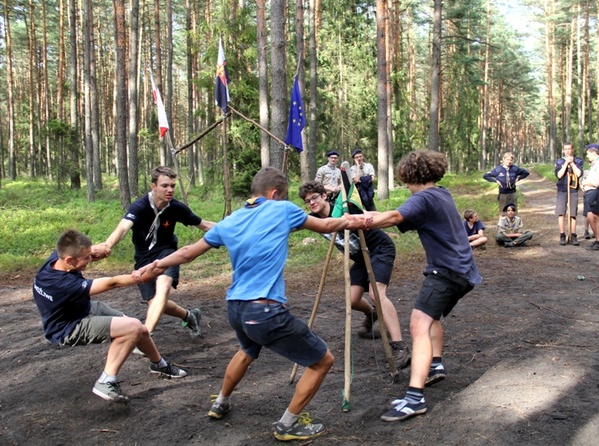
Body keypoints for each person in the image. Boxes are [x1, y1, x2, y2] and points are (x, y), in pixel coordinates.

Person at [136, 167, 353, 442]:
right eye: (283, 195)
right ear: (274, 193)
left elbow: (188, 252)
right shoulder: (282, 209)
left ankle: (221, 402)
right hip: (264, 311)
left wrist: (156, 265)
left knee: (247, 351)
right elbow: (328, 225)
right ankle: (287, 424)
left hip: (236, 309)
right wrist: (358, 219)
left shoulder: (231, 220)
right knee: (323, 361)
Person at [347, 150, 482, 422]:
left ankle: (414, 398)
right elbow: (396, 216)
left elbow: (396, 217)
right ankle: (434, 364)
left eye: (405, 180)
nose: (405, 185)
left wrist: (359, 220)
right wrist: (366, 214)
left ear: (411, 175)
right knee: (430, 319)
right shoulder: (441, 193)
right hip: (462, 270)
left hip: (447, 272)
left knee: (418, 324)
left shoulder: (423, 197)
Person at [32, 230, 187, 403]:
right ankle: (106, 381)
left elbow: (87, 252)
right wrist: (145, 275)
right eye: (86, 258)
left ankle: (159, 365)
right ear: (70, 260)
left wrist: (100, 249)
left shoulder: (57, 259)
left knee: (140, 330)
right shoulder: (63, 284)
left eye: (90, 256)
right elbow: (113, 282)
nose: (90, 260)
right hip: (69, 327)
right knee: (132, 328)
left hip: (83, 309)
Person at [298, 180, 410, 368]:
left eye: (314, 198)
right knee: (352, 300)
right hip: (359, 258)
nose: (312, 203)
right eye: (307, 201)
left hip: (379, 249)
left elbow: (367, 214)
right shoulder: (314, 219)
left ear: (324, 196)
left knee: (376, 294)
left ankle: (400, 346)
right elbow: (294, 224)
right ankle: (372, 314)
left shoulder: (344, 207)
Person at [101, 166, 215, 339]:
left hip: (167, 253)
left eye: (172, 186)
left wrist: (234, 229)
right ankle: (189, 315)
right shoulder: (140, 206)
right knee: (155, 302)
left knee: (163, 289)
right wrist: (107, 245)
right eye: (164, 186)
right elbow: (123, 228)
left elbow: (204, 225)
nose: (170, 190)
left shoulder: (176, 207)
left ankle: (144, 336)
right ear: (153, 186)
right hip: (143, 258)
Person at [582, 143, 599, 251]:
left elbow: (596, 182)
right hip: (592, 192)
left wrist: (584, 182)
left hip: (598, 192)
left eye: (588, 153)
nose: (587, 156)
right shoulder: (595, 164)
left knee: (597, 217)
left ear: (594, 153)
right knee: (590, 216)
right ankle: (597, 239)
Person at [554, 142, 583, 246]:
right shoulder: (560, 161)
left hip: (573, 189)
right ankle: (562, 234)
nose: (567, 151)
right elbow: (559, 175)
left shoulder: (578, 160)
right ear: (563, 150)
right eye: (565, 149)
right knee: (561, 213)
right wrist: (566, 163)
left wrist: (572, 164)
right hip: (562, 189)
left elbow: (579, 174)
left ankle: (573, 234)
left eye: (569, 149)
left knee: (573, 214)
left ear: (572, 150)